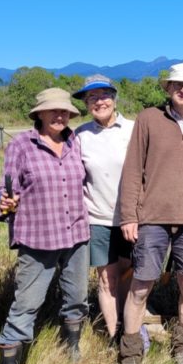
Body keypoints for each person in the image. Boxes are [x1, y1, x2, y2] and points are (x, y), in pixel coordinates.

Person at [115, 63, 183, 364]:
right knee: (141, 284)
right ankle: (130, 356)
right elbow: (132, 170)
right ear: (168, 88)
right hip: (152, 217)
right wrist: (129, 215)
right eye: (177, 84)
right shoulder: (148, 119)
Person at [0, 88, 90, 364]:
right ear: (39, 114)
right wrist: (5, 200)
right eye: (53, 111)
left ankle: (71, 349)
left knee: (77, 296)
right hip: (38, 236)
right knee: (27, 303)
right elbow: (4, 188)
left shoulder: (75, 141)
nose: (60, 116)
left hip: (76, 233)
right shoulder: (22, 144)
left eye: (64, 112)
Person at [72, 74, 135, 343]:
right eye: (92, 98)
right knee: (107, 279)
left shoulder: (134, 129)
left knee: (131, 275)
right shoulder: (80, 135)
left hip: (132, 217)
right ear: (86, 103)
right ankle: (113, 336)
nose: (100, 102)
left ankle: (130, 329)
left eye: (104, 95)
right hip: (97, 217)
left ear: (114, 97)